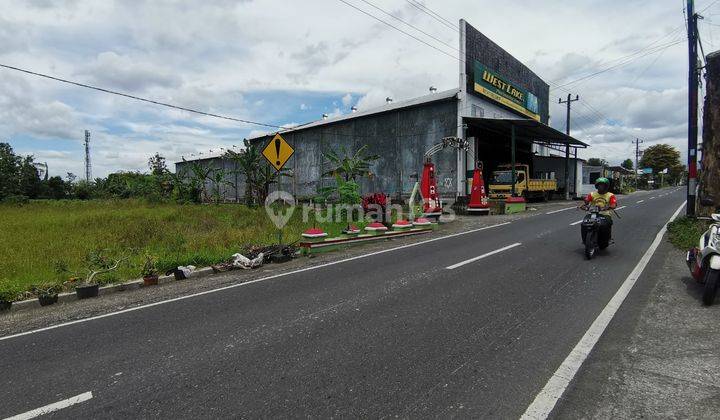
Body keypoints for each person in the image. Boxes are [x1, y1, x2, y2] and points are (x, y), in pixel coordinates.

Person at [579, 177, 617, 249]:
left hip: (605, 214)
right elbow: (587, 201)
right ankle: (585, 241)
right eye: (599, 185)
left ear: (606, 186)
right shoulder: (592, 194)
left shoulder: (610, 195)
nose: (600, 186)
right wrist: (584, 204)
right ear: (596, 186)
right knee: (584, 223)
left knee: (605, 225)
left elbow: (613, 204)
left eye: (602, 185)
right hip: (592, 214)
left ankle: (606, 240)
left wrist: (608, 207)